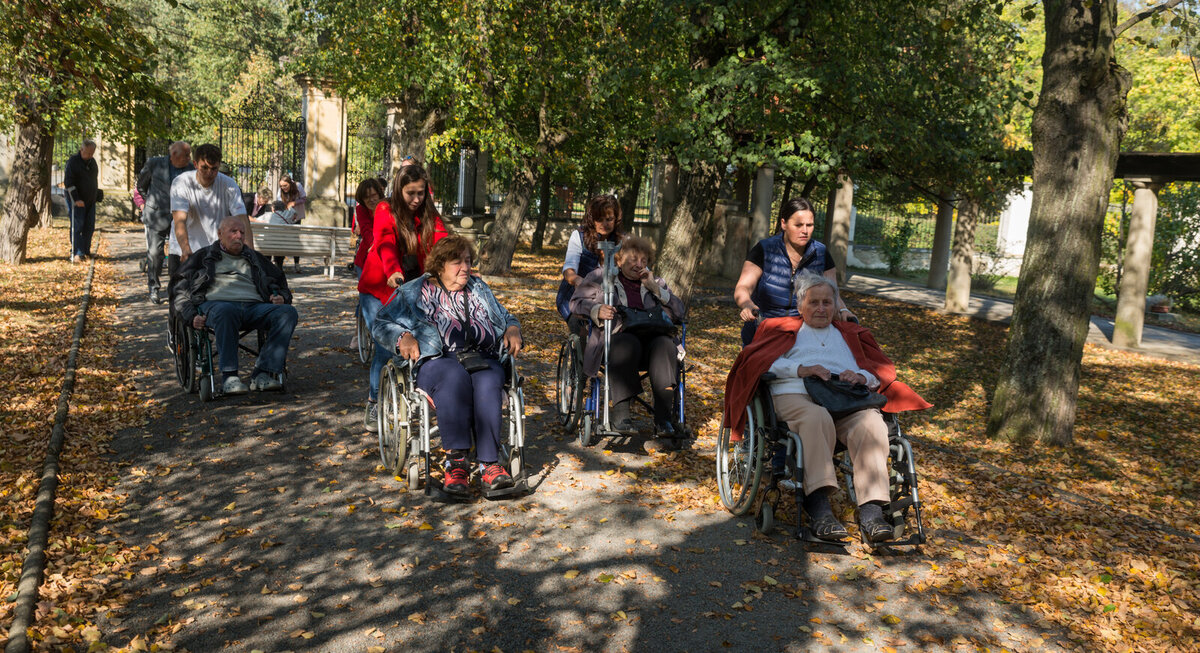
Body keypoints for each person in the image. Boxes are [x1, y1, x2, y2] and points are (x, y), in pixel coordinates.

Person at [723, 272, 931, 542]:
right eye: (814, 302)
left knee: (871, 423)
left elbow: (875, 371)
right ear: (800, 306)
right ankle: (818, 507)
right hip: (795, 394)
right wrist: (801, 368)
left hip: (843, 398)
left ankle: (871, 513)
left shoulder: (849, 334)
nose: (821, 308)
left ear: (835, 306)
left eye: (827, 303)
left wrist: (860, 377)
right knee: (815, 417)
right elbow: (757, 363)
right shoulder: (780, 329)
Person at [372, 235, 524, 497]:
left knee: (489, 380)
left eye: (468, 261)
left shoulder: (478, 287)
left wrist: (512, 327)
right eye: (457, 262)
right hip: (437, 360)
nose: (465, 267)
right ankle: (456, 463)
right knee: (454, 377)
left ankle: (490, 465)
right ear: (439, 265)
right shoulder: (414, 291)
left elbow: (505, 315)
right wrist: (402, 337)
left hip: (481, 357)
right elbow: (381, 322)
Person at [357, 163, 449, 432]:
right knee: (387, 344)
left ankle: (415, 393)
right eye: (411, 193)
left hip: (415, 287)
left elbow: (441, 238)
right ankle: (374, 401)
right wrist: (393, 271)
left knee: (426, 337)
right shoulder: (386, 208)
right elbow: (384, 240)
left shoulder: (427, 211)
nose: (416, 199)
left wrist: (451, 263)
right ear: (399, 189)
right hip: (380, 286)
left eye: (421, 193)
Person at [570, 236, 686, 437]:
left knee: (666, 346)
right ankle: (621, 415)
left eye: (643, 260)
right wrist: (596, 309)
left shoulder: (655, 281)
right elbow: (576, 302)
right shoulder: (601, 277)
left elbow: (680, 312)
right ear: (619, 259)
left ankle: (664, 419)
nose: (639, 264)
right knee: (627, 343)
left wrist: (656, 290)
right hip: (618, 340)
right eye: (633, 259)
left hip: (652, 342)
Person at [171, 216, 298, 395]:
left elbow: (279, 281)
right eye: (233, 232)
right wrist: (190, 315)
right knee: (226, 310)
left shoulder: (255, 258)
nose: (239, 236)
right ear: (220, 234)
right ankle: (230, 377)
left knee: (287, 313)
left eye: (242, 232)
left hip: (254, 307)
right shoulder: (203, 257)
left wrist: (282, 297)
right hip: (216, 306)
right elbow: (179, 288)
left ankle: (262, 373)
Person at [734, 197, 856, 345]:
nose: (804, 231)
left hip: (802, 337)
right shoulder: (764, 249)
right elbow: (743, 287)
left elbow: (833, 294)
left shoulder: (821, 253)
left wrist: (843, 311)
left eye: (809, 225)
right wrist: (747, 304)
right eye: (798, 225)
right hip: (762, 333)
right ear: (784, 223)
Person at [169, 143, 252, 281]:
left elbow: (242, 219)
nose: (209, 173)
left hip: (215, 252)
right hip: (183, 250)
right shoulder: (181, 183)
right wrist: (185, 249)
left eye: (214, 169)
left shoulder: (229, 185)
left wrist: (251, 252)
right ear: (195, 164)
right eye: (204, 168)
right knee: (180, 297)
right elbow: (179, 220)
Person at [555, 194, 625, 333]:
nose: (604, 224)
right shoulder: (579, 236)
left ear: (616, 219)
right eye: (599, 219)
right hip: (577, 300)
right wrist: (579, 281)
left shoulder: (621, 241)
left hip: (609, 301)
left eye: (609, 219)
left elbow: (634, 264)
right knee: (585, 333)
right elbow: (569, 270)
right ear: (592, 219)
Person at [136, 141, 194, 303]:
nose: (189, 158)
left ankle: (175, 289)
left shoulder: (190, 169)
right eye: (186, 155)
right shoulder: (154, 164)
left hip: (180, 219)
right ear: (174, 155)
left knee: (178, 255)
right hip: (156, 215)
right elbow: (141, 186)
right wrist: (151, 203)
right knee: (155, 253)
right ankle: (153, 287)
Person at [64, 140, 100, 263]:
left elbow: (93, 181)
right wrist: (76, 198)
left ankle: (86, 251)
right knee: (77, 226)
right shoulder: (73, 162)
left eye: (92, 153)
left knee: (89, 227)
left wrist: (96, 194)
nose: (90, 155)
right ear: (82, 150)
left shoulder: (92, 162)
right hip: (76, 201)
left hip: (90, 201)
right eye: (88, 152)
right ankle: (76, 253)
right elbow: (69, 182)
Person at [351, 177, 386, 278]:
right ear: (362, 199)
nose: (371, 200)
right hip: (365, 260)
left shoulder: (387, 207)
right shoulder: (361, 210)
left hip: (386, 258)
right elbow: (367, 232)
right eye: (366, 197)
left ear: (379, 194)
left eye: (373, 195)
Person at [276, 175, 306, 272]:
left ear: (290, 183)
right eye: (281, 186)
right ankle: (279, 264)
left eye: (285, 185)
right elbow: (278, 202)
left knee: (295, 239)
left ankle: (296, 263)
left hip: (296, 216)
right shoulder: (280, 191)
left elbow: (304, 198)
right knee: (282, 239)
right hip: (285, 217)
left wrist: (294, 203)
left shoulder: (298, 186)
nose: (283, 188)